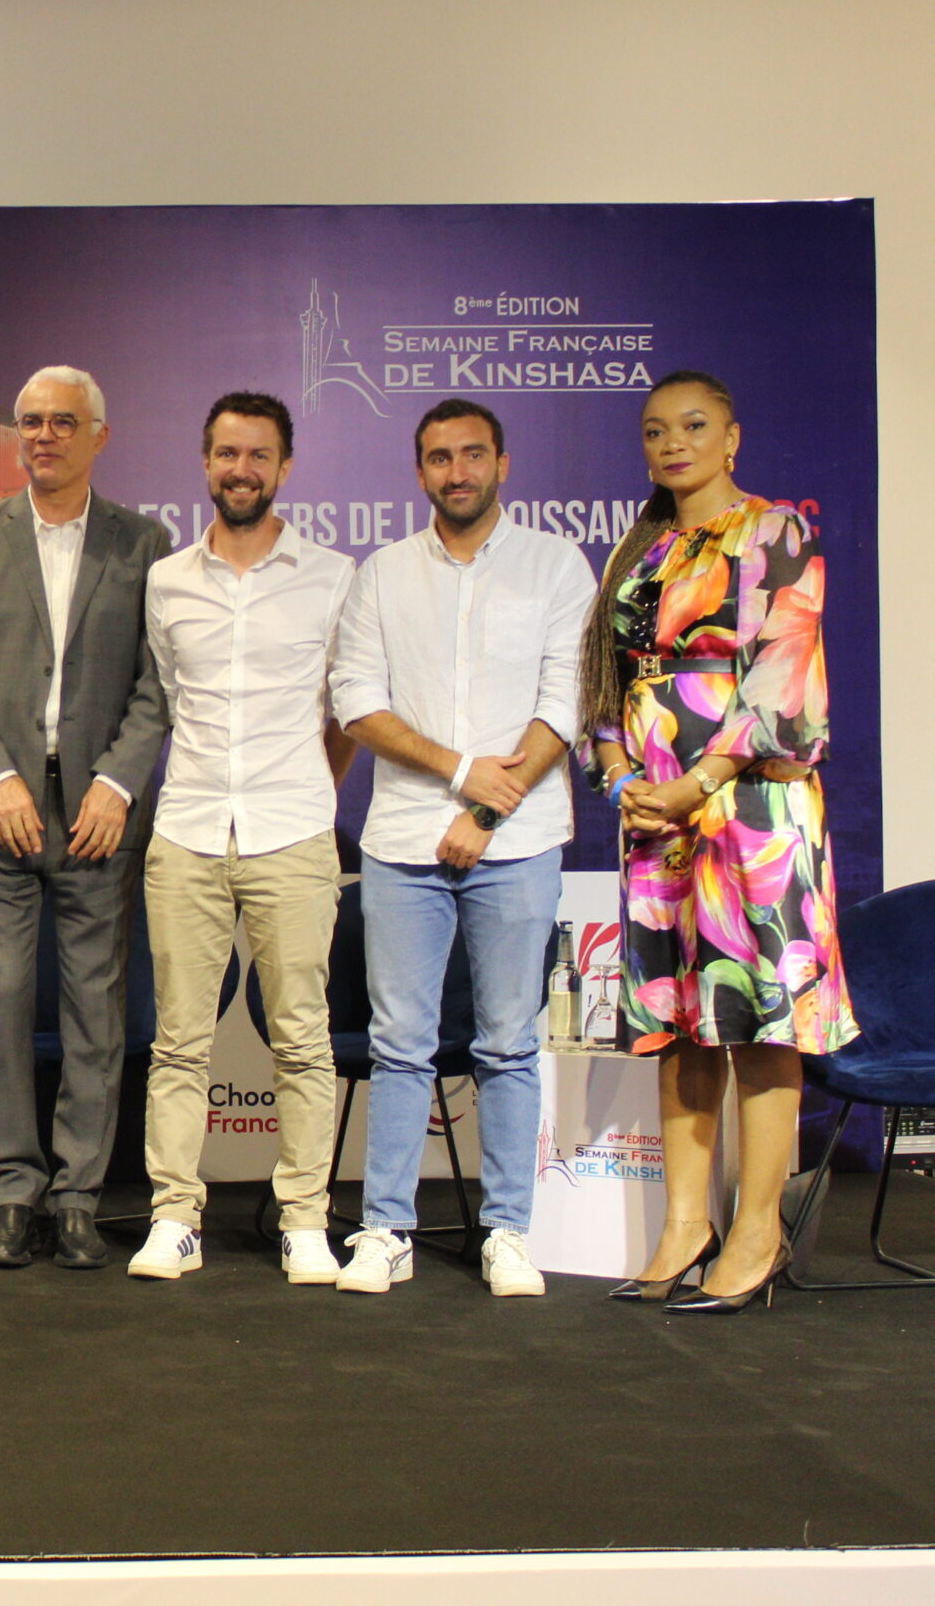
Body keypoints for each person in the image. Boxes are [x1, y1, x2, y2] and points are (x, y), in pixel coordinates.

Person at [580, 371, 857, 1314]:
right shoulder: (638, 549)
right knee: (678, 1020)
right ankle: (684, 1225)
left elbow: (782, 678)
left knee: (757, 1015)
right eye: (655, 430)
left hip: (751, 808)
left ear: (731, 438)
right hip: (655, 817)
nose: (673, 443)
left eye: (694, 426)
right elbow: (606, 685)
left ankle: (758, 1229)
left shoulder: (775, 531)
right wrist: (621, 778)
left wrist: (694, 783)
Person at [329, 398, 594, 1298]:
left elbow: (566, 700)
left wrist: (485, 810)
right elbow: (356, 701)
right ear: (420, 472)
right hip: (404, 839)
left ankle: (508, 1230)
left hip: (519, 841)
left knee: (509, 1042)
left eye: (473, 454)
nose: (458, 471)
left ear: (502, 464)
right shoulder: (382, 573)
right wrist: (458, 771)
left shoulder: (555, 565)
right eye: (440, 457)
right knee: (400, 1044)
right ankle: (386, 1229)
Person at [0, 365, 169, 1270]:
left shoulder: (145, 542)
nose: (43, 436)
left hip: (98, 817)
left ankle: (76, 1196)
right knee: (0, 1007)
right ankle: (14, 1190)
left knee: (96, 1009)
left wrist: (119, 783)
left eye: (63, 421)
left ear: (99, 435)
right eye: (30, 421)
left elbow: (158, 680)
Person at [131, 393, 356, 1285]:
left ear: (285, 467)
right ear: (205, 461)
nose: (242, 469)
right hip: (187, 828)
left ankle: (305, 1219)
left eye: (259, 455)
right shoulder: (166, 580)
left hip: (292, 830)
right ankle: (174, 1216)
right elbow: (164, 697)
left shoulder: (332, 576)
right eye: (227, 453)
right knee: (177, 1041)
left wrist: (310, 786)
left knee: (301, 1037)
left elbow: (347, 709)